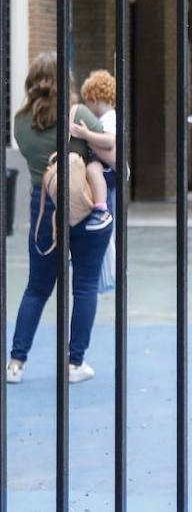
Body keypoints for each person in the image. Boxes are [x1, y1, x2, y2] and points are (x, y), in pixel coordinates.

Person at [6, 52, 116, 385]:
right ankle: (74, 363)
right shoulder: (76, 112)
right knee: (84, 287)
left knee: (37, 289)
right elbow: (112, 152)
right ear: (64, 79)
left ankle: (15, 363)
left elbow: (32, 158)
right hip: (83, 203)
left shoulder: (20, 121)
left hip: (44, 207)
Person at [80, 70, 119, 292]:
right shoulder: (104, 118)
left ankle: (100, 206)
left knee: (93, 169)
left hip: (106, 171)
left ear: (94, 98)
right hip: (106, 171)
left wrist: (85, 135)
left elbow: (109, 142)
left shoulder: (109, 118)